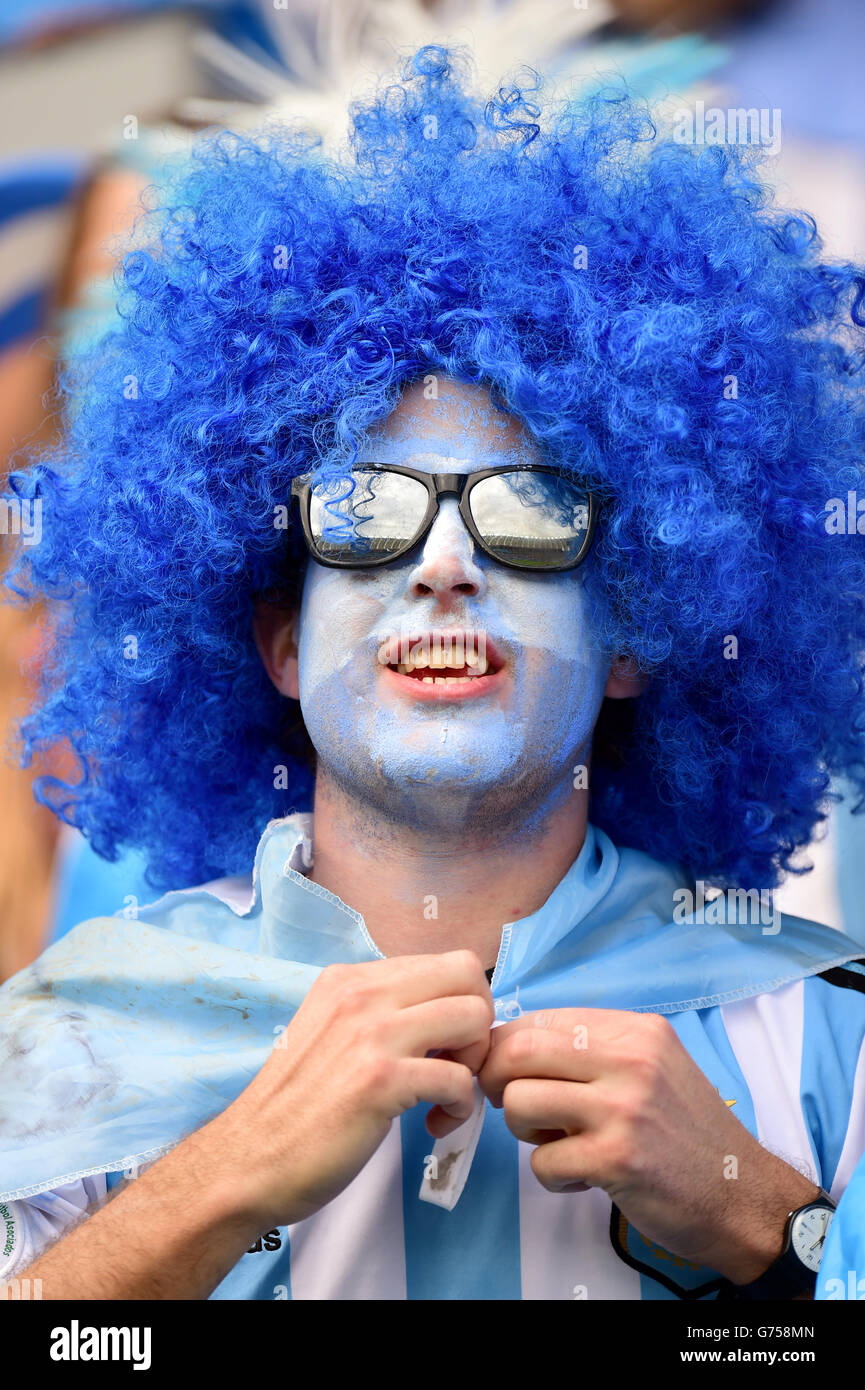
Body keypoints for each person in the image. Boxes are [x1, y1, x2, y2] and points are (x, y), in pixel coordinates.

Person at [1, 46, 864, 1302]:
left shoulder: (824, 1029)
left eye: (529, 507)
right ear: (279, 642)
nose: (447, 560)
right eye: (362, 508)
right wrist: (219, 1182)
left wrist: (772, 1227)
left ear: (634, 634)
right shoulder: (73, 1032)